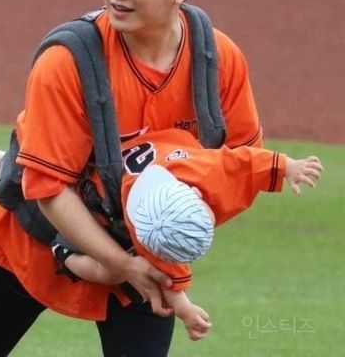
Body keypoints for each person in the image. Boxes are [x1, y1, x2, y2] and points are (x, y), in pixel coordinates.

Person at [0, 0, 268, 356]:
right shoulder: (67, 62)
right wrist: (117, 263)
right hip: (41, 230)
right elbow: (48, 189)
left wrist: (167, 225)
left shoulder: (218, 61)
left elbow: (242, 163)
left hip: (141, 249)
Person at [52, 127, 323, 342]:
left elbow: (246, 160)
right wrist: (186, 311)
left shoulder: (196, 177)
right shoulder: (150, 228)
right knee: (114, 271)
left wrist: (288, 166)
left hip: (153, 150)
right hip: (94, 198)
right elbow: (169, 283)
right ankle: (65, 254)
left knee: (127, 269)